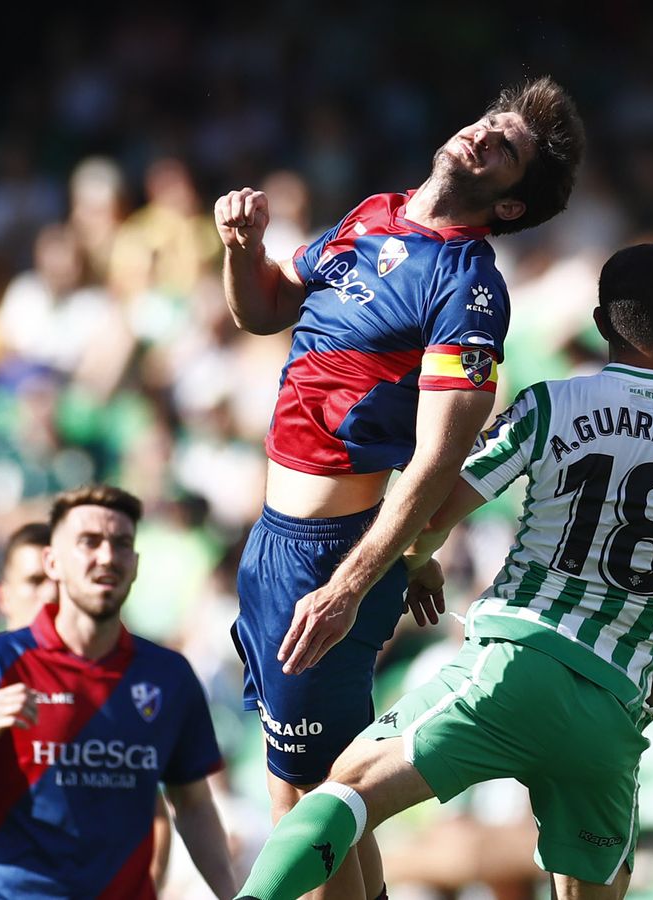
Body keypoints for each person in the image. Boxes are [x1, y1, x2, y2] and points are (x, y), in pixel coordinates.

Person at [232, 240, 653, 899]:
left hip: (511, 667)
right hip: (611, 708)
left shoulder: (549, 406)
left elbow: (433, 514)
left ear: (600, 325)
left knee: (346, 788)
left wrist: (418, 562)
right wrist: (641, 708)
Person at [214, 76, 585, 900]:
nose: (487, 135)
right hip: (275, 544)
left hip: (329, 560)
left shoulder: (469, 287)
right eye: (493, 122)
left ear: (511, 206)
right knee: (312, 796)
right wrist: (242, 249)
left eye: (509, 149)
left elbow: (437, 462)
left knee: (305, 807)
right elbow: (265, 310)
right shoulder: (373, 212)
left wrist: (350, 587)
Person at [0, 487, 237, 899]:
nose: (108, 557)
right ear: (54, 561)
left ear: (135, 563)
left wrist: (231, 893)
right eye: (89, 542)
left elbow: (190, 804)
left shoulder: (167, 676)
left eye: (122, 544)